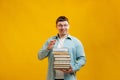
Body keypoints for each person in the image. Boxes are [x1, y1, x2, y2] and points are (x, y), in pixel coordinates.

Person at [38, 16, 86, 80]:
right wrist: (48, 48)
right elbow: (39, 56)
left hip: (69, 77)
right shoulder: (50, 40)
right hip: (52, 77)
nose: (63, 28)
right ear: (56, 27)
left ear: (69, 26)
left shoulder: (76, 42)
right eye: (60, 25)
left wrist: (74, 68)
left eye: (65, 25)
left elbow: (82, 59)